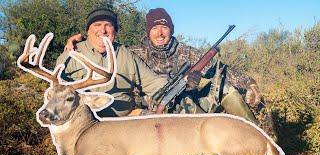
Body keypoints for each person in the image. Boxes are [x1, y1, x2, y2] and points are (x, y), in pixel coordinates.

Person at [64, 8, 262, 125]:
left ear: (171, 30)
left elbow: (220, 69)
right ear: (148, 31)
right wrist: (79, 40)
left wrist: (249, 83)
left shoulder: (186, 51)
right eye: (155, 28)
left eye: (164, 27)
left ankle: (257, 135)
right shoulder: (132, 52)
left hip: (185, 106)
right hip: (146, 113)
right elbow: (103, 44)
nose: (160, 33)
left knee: (226, 88)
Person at [56, 7, 168, 117]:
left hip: (122, 123)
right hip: (83, 124)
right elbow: (56, 96)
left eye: (108, 25)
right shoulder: (70, 55)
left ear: (114, 30)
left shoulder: (126, 55)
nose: (103, 30)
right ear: (88, 30)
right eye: (97, 25)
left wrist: (178, 90)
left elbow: (153, 83)